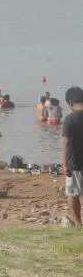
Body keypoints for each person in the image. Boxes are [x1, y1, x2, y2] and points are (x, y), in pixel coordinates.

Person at [62, 86, 83, 226]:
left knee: (73, 194)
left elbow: (67, 143)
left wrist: (64, 164)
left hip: (75, 164)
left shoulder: (70, 120)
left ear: (70, 102)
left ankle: (79, 225)